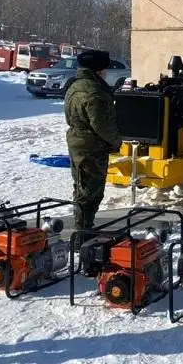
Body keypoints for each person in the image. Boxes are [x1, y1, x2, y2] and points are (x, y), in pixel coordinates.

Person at [64, 50, 122, 236]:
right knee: (90, 190)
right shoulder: (94, 91)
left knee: (81, 186)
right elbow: (101, 124)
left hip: (77, 140)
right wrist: (116, 141)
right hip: (91, 146)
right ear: (98, 71)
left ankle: (83, 226)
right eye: (104, 70)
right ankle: (84, 231)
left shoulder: (75, 86)